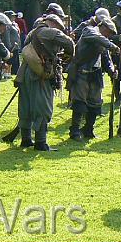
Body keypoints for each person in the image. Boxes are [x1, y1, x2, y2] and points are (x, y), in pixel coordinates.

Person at [15, 14, 75, 151]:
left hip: (25, 73)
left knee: (26, 106)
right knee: (43, 106)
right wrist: (68, 55)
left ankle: (26, 139)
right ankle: (41, 143)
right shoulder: (50, 31)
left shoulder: (32, 32)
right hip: (40, 74)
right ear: (53, 23)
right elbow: (69, 43)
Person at [66, 17, 119, 140]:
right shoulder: (89, 30)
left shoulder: (103, 41)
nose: (109, 35)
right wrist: (112, 45)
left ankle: (89, 129)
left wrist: (112, 71)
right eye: (109, 32)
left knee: (95, 104)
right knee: (79, 102)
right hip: (81, 71)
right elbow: (98, 39)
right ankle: (74, 131)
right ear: (103, 27)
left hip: (95, 74)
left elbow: (106, 59)